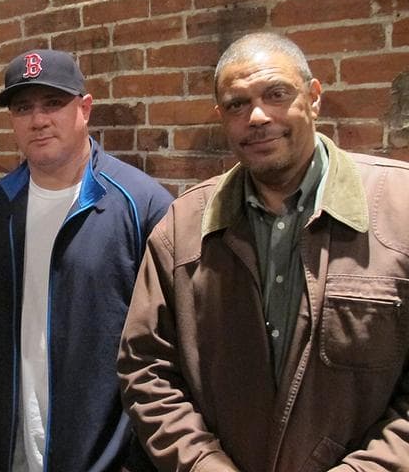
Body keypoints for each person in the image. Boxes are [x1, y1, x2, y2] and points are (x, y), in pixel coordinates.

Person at [118, 32, 409, 471]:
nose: (256, 116)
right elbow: (147, 369)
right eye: (237, 104)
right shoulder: (182, 228)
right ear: (221, 117)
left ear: (313, 98)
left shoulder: (400, 208)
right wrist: (202, 464)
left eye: (276, 94)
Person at [0, 49, 173, 471]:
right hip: (12, 448)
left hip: (107, 456)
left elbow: (171, 344)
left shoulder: (142, 204)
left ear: (85, 108)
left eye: (53, 104)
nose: (38, 120)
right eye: (23, 108)